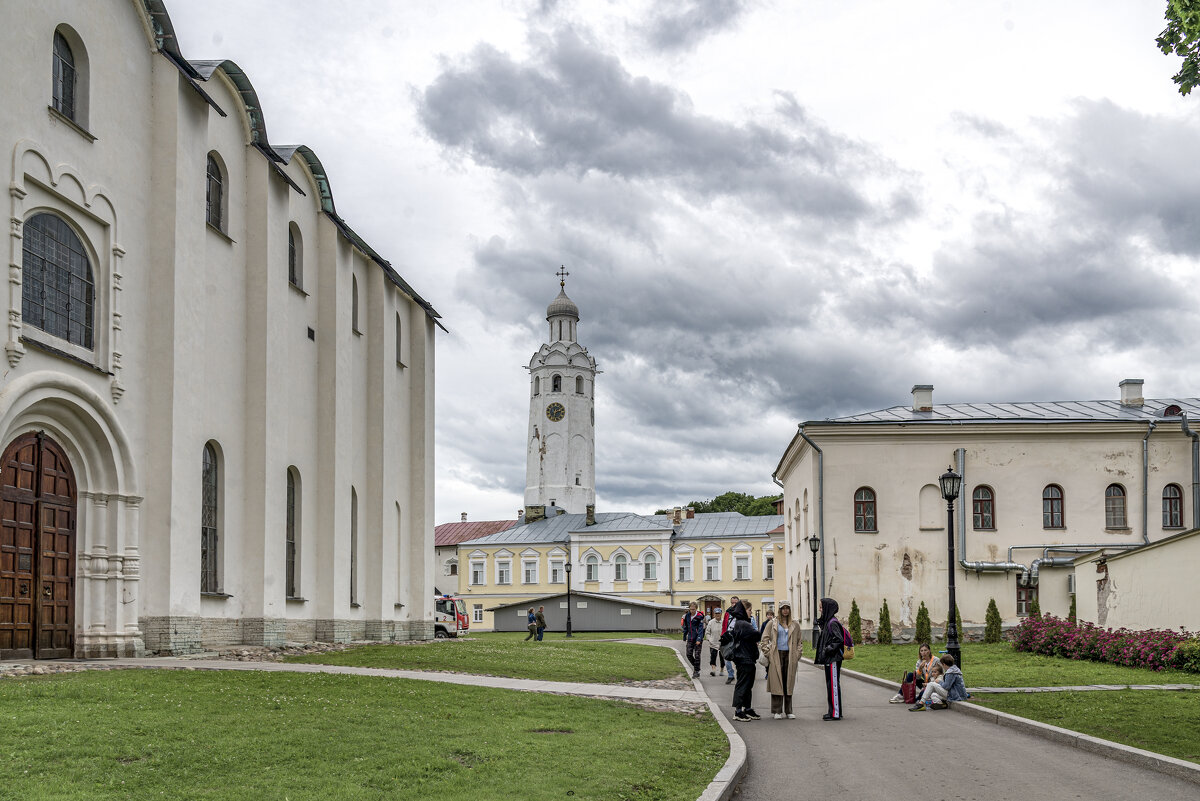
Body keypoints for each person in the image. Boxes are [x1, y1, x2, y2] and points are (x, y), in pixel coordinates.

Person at [720, 600, 763, 721]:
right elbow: (756, 635)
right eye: (749, 610)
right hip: (743, 658)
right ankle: (738, 711)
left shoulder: (743, 622)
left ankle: (747, 708)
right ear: (744, 611)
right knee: (743, 684)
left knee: (748, 685)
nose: (751, 612)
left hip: (747, 657)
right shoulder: (742, 624)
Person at [759, 601, 802, 719]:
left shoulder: (794, 624)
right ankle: (777, 711)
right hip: (776, 655)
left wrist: (797, 655)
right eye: (783, 608)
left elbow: (799, 642)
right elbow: (764, 640)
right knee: (777, 683)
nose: (785, 610)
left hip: (790, 655)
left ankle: (789, 711)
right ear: (779, 610)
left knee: (788, 683)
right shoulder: (772, 623)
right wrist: (769, 654)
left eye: (787, 608)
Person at [815, 597, 845, 720]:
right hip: (830, 658)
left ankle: (835, 713)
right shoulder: (829, 622)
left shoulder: (833, 623)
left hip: (833, 659)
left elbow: (839, 640)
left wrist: (828, 649)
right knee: (830, 685)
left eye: (821, 607)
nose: (819, 609)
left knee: (833, 685)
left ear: (827, 608)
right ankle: (833, 711)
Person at [720, 596, 740, 684]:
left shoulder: (741, 613)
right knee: (727, 657)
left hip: (737, 637)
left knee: (738, 658)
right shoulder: (727, 613)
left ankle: (739, 676)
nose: (734, 604)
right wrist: (723, 635)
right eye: (732, 603)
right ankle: (730, 675)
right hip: (728, 636)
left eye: (735, 603)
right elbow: (724, 624)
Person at [684, 602, 706, 678]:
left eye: (693, 609)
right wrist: (685, 635)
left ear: (696, 608)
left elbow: (701, 629)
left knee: (697, 655)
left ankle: (696, 671)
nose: (692, 611)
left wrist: (699, 639)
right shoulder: (687, 616)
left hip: (697, 638)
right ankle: (697, 667)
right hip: (690, 638)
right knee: (688, 654)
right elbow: (686, 626)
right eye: (690, 609)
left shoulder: (699, 616)